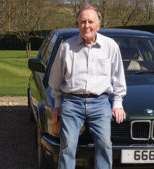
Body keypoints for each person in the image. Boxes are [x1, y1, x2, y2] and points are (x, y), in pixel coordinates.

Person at [48, 4, 127, 169]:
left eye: (91, 21)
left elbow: (118, 77)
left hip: (100, 103)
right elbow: (55, 80)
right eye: (82, 22)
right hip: (71, 103)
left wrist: (118, 103)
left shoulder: (110, 46)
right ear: (78, 24)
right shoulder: (66, 47)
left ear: (98, 24)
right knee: (68, 146)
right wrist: (57, 104)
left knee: (105, 144)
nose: (87, 26)